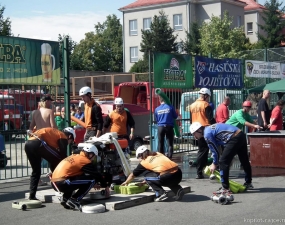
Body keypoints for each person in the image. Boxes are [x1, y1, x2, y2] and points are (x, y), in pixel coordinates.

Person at [190, 122, 254, 194]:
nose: (194, 137)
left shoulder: (207, 134)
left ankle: (225, 188)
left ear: (199, 130)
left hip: (234, 137)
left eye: (194, 134)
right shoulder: (209, 129)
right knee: (244, 160)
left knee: (223, 162)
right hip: (240, 134)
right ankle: (248, 183)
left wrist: (214, 163)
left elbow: (215, 151)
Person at [51, 144, 112, 210]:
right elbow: (96, 175)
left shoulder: (75, 156)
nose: (93, 159)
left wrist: (93, 184)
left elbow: (79, 176)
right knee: (92, 180)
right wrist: (105, 186)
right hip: (62, 182)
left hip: (54, 183)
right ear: (90, 154)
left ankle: (66, 199)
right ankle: (74, 199)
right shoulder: (84, 160)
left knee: (75, 178)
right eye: (94, 156)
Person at [24, 127, 76, 200]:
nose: (69, 143)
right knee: (59, 160)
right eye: (71, 141)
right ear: (70, 136)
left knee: (36, 171)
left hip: (28, 144)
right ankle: (61, 186)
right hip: (38, 143)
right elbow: (62, 156)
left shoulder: (56, 134)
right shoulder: (63, 136)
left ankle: (32, 196)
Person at [189, 88, 216, 179]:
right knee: (211, 149)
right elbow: (210, 119)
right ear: (206, 96)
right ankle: (206, 170)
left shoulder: (192, 106)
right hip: (206, 129)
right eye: (208, 97)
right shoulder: (205, 105)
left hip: (196, 130)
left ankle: (200, 172)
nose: (208, 99)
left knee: (202, 151)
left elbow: (190, 120)